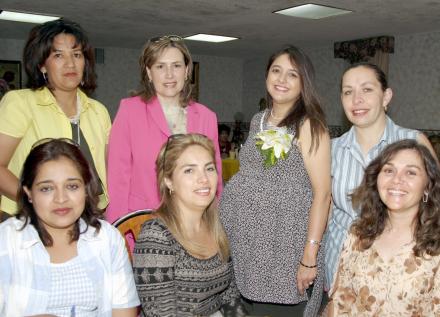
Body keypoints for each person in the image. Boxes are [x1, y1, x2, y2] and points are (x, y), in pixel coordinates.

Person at [220, 45, 331, 316]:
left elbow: (323, 194)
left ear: (304, 82)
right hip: (252, 248)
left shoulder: (309, 124)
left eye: (292, 74)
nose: (281, 80)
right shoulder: (259, 119)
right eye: (276, 71)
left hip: (287, 249)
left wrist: (309, 257)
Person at [324, 62, 436, 290]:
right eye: (348, 92)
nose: (357, 100)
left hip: (402, 271)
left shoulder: (414, 142)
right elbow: (326, 209)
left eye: (367, 89)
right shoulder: (331, 149)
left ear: (386, 97)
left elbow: (435, 201)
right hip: (341, 268)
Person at [0, 139, 139, 316]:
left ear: (86, 189)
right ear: (28, 193)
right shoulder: (6, 241)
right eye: (46, 189)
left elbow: (123, 312)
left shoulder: (107, 239)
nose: (61, 198)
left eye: (72, 186)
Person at [0, 19, 111, 220]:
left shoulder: (98, 111)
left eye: (77, 55)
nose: (70, 63)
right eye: (58, 55)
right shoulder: (20, 103)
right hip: (29, 220)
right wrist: (34, 202)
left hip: (89, 218)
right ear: (42, 64)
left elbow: (108, 169)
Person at [107, 35, 222, 224]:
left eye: (176, 66)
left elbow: (214, 179)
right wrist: (118, 229)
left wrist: (214, 224)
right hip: (142, 223)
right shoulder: (130, 111)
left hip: (193, 224)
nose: (169, 74)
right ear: (149, 73)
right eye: (160, 66)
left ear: (187, 71)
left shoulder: (206, 117)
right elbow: (118, 178)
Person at [133, 133, 244, 317]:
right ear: (169, 181)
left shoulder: (216, 226)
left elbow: (230, 296)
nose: (204, 179)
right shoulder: (156, 236)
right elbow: (162, 314)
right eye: (189, 170)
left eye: (209, 168)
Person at [328, 139, 440, 315]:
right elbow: (340, 300)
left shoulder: (436, 245)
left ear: (428, 187)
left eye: (410, 173)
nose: (397, 180)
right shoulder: (359, 233)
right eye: (389, 170)